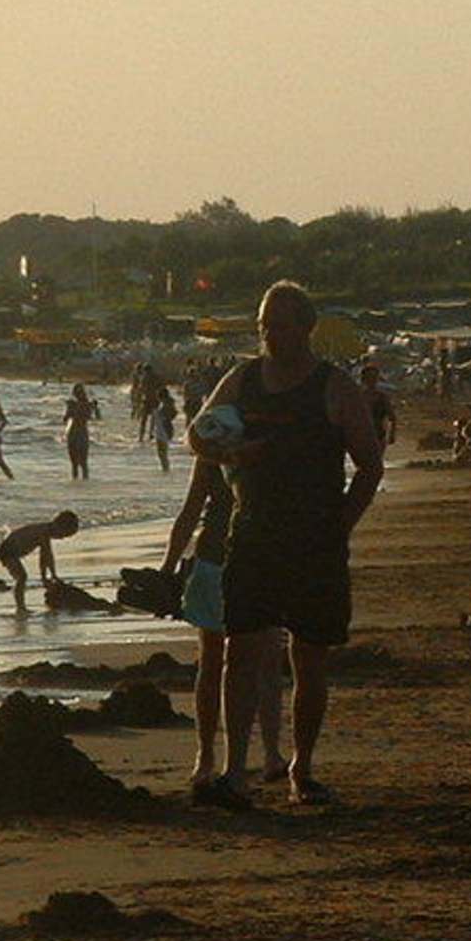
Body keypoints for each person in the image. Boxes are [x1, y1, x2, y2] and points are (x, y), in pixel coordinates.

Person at [190, 281, 383, 810]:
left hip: (315, 543)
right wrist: (232, 454)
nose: (269, 336)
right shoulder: (243, 379)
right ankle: (235, 771)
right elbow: (197, 436)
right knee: (240, 651)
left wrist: (341, 525)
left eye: (279, 326)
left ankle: (302, 767)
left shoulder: (334, 387)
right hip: (253, 534)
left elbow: (370, 465)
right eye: (263, 326)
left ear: (306, 328)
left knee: (309, 658)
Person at [163, 458, 287, 790]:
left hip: (216, 558)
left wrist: (168, 567)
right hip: (257, 559)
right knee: (265, 660)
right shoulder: (271, 440)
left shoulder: (212, 447)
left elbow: (190, 511)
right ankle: (269, 754)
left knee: (214, 660)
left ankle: (207, 757)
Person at [0, 509, 78, 614]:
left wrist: (53, 574)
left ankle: (21, 607)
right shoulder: (43, 532)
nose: (61, 538)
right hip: (8, 550)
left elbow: (48, 556)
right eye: (63, 535)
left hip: (13, 550)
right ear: (59, 526)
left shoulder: (45, 531)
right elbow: (43, 559)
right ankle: (20, 607)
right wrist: (44, 577)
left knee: (21, 577)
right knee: (22, 577)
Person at [62, 383, 99, 479]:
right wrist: (96, 407)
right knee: (83, 464)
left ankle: (77, 483)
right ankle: (84, 484)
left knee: (75, 464)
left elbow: (65, 419)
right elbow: (98, 418)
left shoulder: (74, 405)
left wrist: (69, 408)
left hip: (74, 433)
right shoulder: (88, 405)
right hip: (82, 433)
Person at [359, 364, 397, 451]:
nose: (372, 380)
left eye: (374, 377)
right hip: (362, 435)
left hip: (378, 434)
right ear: (364, 379)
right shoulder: (358, 397)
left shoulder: (382, 397)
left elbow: (392, 417)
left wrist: (392, 434)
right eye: (369, 377)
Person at [150, 387, 178, 472]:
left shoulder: (166, 406)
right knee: (163, 453)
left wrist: (151, 431)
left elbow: (169, 416)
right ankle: (165, 469)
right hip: (164, 430)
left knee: (162, 453)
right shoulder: (166, 405)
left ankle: (166, 469)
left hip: (163, 430)